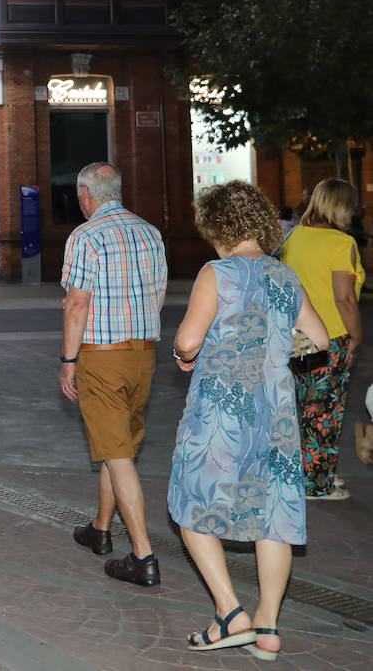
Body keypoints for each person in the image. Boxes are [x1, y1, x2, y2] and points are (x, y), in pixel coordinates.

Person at [168, 181, 328, 660]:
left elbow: (188, 340)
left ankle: (229, 613)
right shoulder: (284, 276)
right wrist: (273, 352)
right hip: (275, 412)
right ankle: (268, 628)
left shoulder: (217, 273)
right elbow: (318, 339)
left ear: (216, 227)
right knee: (273, 517)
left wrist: (184, 354)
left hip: (220, 411)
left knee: (192, 499)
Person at [60, 162, 167, 587]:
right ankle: (100, 529)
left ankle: (143, 555)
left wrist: (69, 360)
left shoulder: (85, 236)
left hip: (101, 356)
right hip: (142, 354)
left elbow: (77, 304)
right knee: (117, 443)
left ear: (87, 194)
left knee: (117, 453)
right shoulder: (150, 232)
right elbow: (158, 294)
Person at [280, 178, 365, 500]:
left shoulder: (294, 236)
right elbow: (344, 299)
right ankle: (316, 484)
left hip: (297, 334)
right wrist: (357, 336)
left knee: (302, 407)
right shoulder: (342, 244)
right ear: (343, 206)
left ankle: (314, 473)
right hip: (331, 336)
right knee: (325, 411)